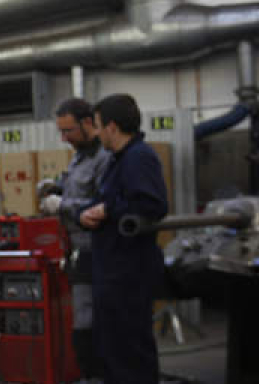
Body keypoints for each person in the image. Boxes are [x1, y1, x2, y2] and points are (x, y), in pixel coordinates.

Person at [79, 94, 168, 383]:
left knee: (130, 352)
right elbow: (108, 202)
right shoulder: (120, 161)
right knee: (114, 350)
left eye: (98, 125)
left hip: (128, 273)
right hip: (113, 270)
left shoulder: (138, 157)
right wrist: (87, 213)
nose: (96, 132)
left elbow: (151, 204)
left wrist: (107, 209)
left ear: (112, 127)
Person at [39, 98, 112, 381]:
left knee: (92, 319)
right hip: (77, 251)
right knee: (82, 318)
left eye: (68, 130)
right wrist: (55, 187)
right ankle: (90, 376)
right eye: (61, 131)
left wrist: (62, 204)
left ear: (87, 123)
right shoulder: (79, 156)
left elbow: (101, 203)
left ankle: (98, 376)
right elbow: (78, 188)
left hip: (98, 251)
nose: (64, 137)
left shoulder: (104, 158)